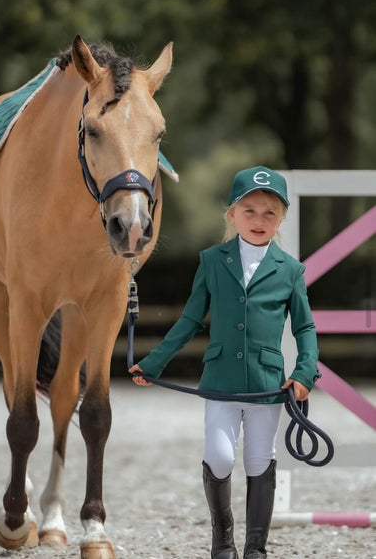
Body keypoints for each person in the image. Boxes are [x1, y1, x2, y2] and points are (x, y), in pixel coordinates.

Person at [129, 166, 320, 559]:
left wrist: (304, 372)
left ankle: (255, 548)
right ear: (232, 214)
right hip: (220, 380)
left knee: (258, 461)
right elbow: (189, 320)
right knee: (219, 456)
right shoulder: (212, 261)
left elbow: (305, 328)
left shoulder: (292, 270)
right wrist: (155, 362)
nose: (259, 220)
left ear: (281, 218)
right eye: (249, 211)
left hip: (268, 384)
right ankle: (223, 538)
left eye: (270, 212)